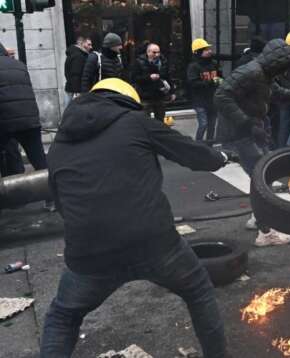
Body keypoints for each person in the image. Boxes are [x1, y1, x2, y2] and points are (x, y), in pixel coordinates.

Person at [41, 78, 233, 357]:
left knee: (63, 317)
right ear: (126, 101)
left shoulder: (59, 144)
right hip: (153, 242)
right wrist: (221, 157)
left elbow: (61, 203)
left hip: (90, 254)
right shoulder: (135, 121)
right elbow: (193, 154)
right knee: (198, 290)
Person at [215, 39, 290, 246]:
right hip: (242, 133)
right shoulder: (251, 72)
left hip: (251, 130)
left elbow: (276, 93)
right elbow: (221, 95)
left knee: (260, 175)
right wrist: (247, 122)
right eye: (283, 67)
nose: (283, 72)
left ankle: (257, 217)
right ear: (275, 63)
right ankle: (266, 232)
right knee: (262, 177)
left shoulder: (264, 74)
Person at [0, 43, 49, 177]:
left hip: (5, 121)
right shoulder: (20, 65)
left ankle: (11, 189)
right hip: (30, 120)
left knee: (9, 154)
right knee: (39, 160)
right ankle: (51, 193)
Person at [187, 38, 221, 142]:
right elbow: (192, 83)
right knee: (203, 124)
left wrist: (219, 81)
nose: (209, 51)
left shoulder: (214, 63)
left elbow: (220, 76)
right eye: (206, 49)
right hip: (200, 101)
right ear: (198, 52)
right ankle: (198, 145)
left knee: (212, 125)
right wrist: (210, 82)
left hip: (213, 100)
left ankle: (209, 145)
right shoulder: (193, 67)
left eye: (208, 49)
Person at [131, 43, 175, 123]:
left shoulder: (163, 61)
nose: (157, 54)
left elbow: (168, 76)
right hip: (145, 95)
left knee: (160, 119)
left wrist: (172, 92)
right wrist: (149, 77)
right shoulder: (139, 62)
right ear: (148, 52)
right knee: (145, 120)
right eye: (154, 52)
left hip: (159, 94)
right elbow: (134, 78)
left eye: (158, 52)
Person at [63, 36, 92, 105]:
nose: (91, 47)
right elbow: (76, 74)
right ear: (81, 44)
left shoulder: (74, 53)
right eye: (88, 44)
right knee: (74, 111)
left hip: (72, 88)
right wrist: (78, 92)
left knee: (69, 111)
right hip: (76, 90)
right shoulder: (79, 56)